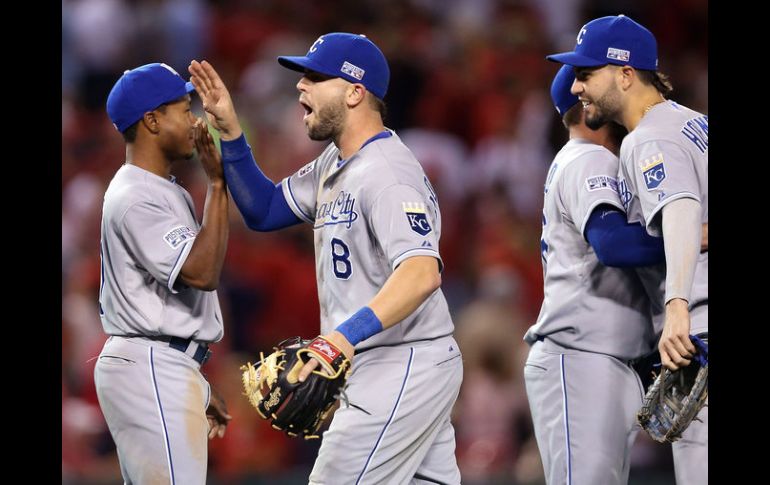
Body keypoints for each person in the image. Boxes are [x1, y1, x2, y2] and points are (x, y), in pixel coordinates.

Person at [188, 32, 463, 484]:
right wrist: (232, 134)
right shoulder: (336, 162)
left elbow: (421, 273)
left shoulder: (389, 173)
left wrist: (340, 338)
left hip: (401, 361)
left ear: (355, 92)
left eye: (316, 77)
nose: (301, 86)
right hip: (387, 362)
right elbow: (265, 210)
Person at [547, 15, 708, 484]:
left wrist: (676, 307)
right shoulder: (697, 124)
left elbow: (678, 210)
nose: (576, 87)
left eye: (585, 73)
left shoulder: (648, 136)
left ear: (625, 73)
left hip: (697, 326)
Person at [524, 64, 672, 485]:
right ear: (589, 107)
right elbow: (614, 245)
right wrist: (688, 236)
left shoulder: (585, 160)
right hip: (580, 360)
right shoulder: (588, 158)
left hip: (601, 361)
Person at [95, 62, 232, 485]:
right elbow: (202, 272)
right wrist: (217, 186)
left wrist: (195, 382)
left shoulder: (156, 188)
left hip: (160, 361)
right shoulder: (137, 195)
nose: (194, 120)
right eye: (182, 108)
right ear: (151, 120)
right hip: (151, 363)